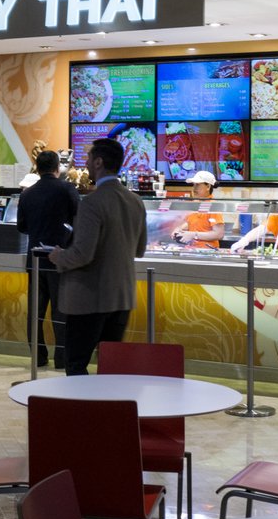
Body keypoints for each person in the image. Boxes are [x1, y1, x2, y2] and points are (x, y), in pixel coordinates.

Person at [49, 139, 147, 375]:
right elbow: (139, 249)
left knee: (76, 365)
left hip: (90, 299)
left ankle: (83, 403)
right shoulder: (136, 201)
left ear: (99, 162)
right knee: (111, 368)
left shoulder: (92, 202)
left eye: (89, 158)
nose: (86, 163)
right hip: (121, 297)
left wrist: (59, 256)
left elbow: (83, 254)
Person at [16, 151, 80, 369]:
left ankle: (38, 356)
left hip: (35, 259)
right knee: (61, 312)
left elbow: (22, 226)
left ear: (37, 167)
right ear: (57, 168)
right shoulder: (67, 189)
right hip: (60, 258)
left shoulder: (27, 194)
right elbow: (79, 219)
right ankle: (62, 358)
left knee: (35, 313)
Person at [170, 170, 226, 250]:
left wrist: (194, 235)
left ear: (208, 186)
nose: (194, 188)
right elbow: (190, 222)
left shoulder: (213, 206)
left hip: (207, 251)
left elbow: (219, 234)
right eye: (194, 185)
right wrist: (179, 229)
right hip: (192, 249)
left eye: (198, 185)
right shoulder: (195, 204)